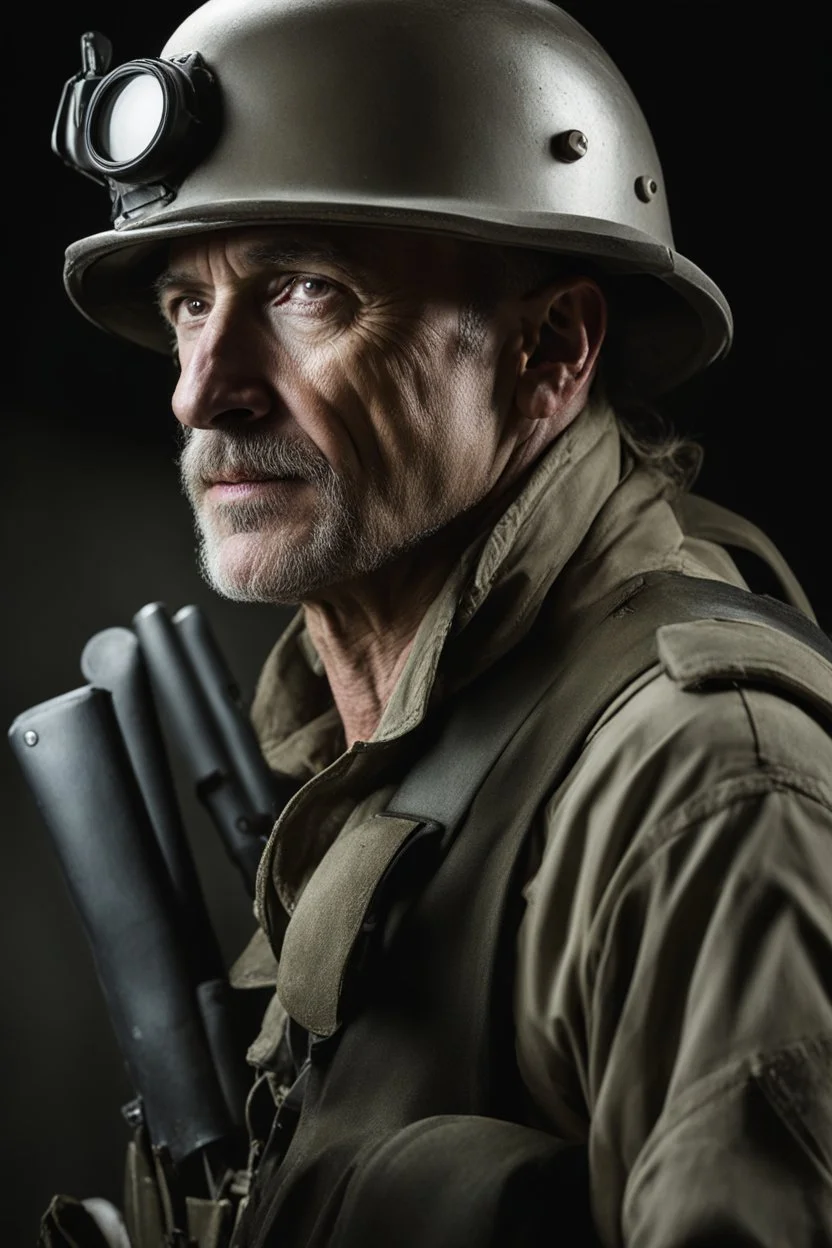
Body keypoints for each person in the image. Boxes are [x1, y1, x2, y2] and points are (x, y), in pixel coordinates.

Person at [41, 0, 832, 1245]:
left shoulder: (708, 792)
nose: (202, 389)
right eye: (189, 304)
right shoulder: (360, 756)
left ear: (550, 349)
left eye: (304, 289)